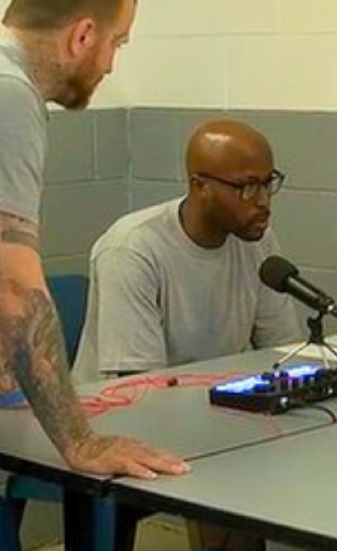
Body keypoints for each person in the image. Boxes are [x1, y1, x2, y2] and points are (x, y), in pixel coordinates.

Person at [0, 0, 188, 481]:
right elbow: (13, 283)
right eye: (117, 43)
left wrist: (6, 387)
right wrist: (81, 443)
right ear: (83, 35)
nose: (111, 64)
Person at [75, 120, 301, 379]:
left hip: (214, 397)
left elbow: (283, 353)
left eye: (268, 183)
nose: (263, 201)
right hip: (125, 401)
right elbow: (140, 384)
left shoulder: (258, 242)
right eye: (248, 188)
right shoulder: (131, 250)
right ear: (200, 186)